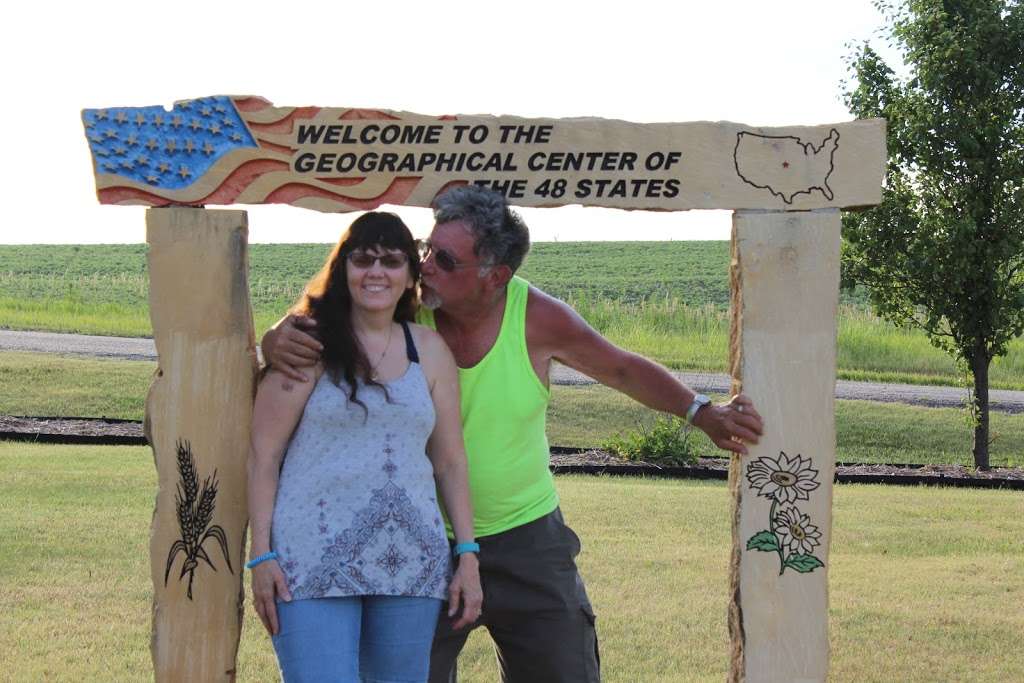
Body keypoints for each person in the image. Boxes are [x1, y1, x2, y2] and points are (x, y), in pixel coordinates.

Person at [262, 186, 764, 683]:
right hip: (420, 542)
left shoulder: (538, 317)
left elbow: (621, 368)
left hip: (527, 538)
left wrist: (701, 411)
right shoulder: (405, 307)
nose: (426, 267)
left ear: (494, 276)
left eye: (444, 259)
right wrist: (275, 336)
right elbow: (326, 314)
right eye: (425, 250)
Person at [247, 211, 482, 683]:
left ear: (411, 276)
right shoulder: (305, 345)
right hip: (309, 561)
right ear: (343, 269)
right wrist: (261, 555)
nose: (376, 272)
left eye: (392, 261)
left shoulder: (430, 351)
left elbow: (450, 461)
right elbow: (262, 455)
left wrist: (469, 555)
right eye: (363, 260)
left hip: (412, 563)